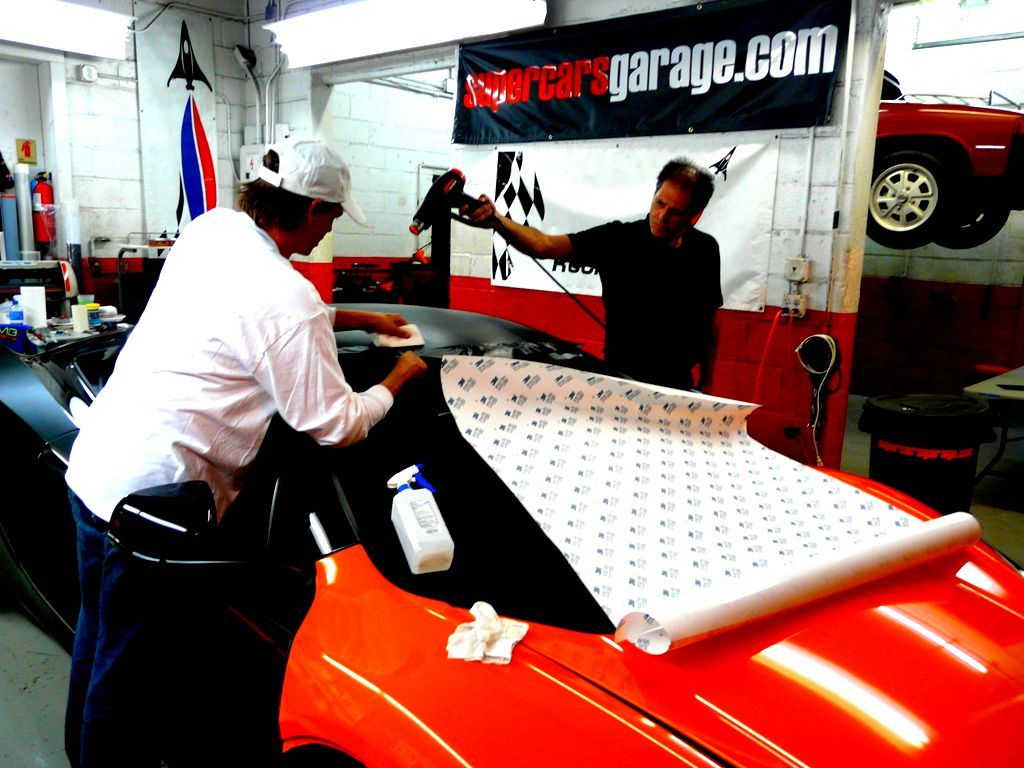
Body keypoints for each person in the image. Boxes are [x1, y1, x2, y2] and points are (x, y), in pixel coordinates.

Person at [62, 137, 427, 767]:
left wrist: (355, 318)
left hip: (96, 468)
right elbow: (336, 426)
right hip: (154, 504)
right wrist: (396, 380)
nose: (332, 227)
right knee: (126, 680)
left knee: (97, 636)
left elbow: (257, 315)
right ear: (312, 208)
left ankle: (82, 752)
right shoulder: (288, 301)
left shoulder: (213, 230)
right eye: (333, 215)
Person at [468, 158, 722, 391]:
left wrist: (708, 380)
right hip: (621, 379)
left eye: (675, 211)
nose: (662, 217)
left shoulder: (705, 249)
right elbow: (544, 244)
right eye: (659, 203)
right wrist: (498, 221)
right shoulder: (618, 239)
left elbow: (708, 323)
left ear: (694, 214)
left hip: (677, 383)